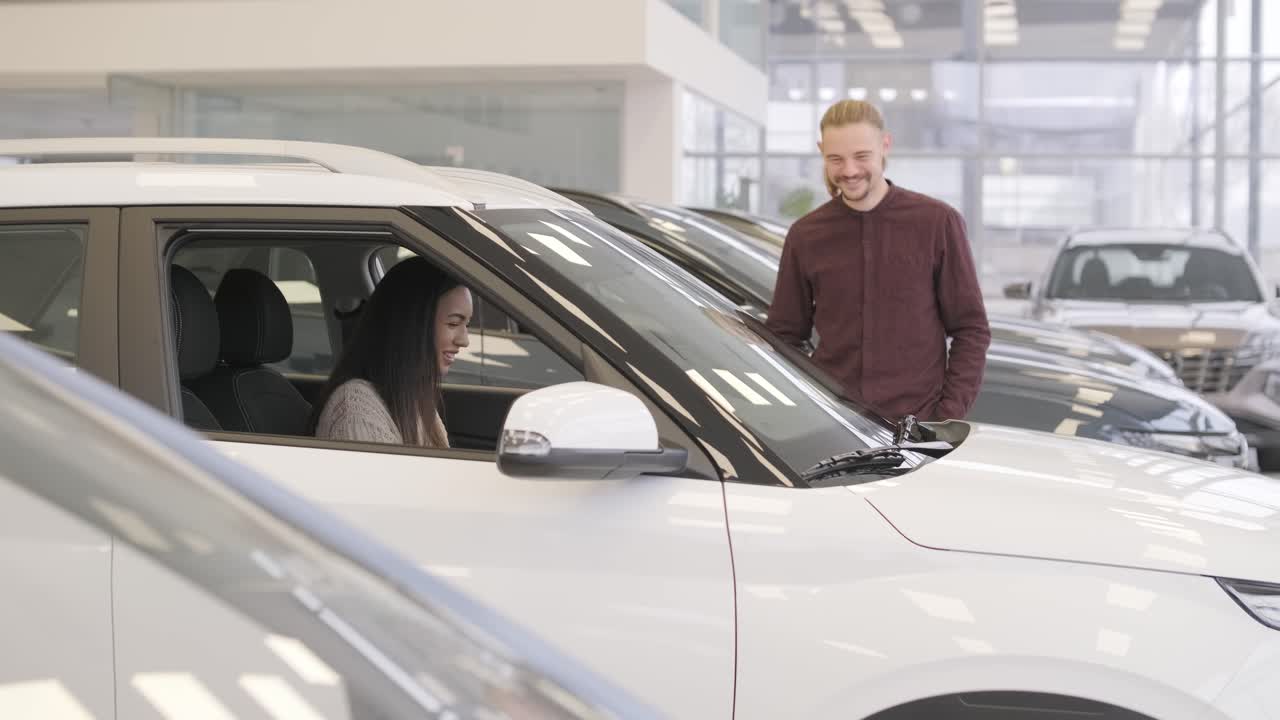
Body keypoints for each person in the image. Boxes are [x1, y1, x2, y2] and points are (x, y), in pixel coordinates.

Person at [766, 100, 990, 422]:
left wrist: (945, 416)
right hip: (831, 428)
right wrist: (809, 403)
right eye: (835, 159)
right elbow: (784, 336)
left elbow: (971, 329)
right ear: (821, 151)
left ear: (885, 146)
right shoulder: (805, 236)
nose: (849, 170)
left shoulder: (938, 223)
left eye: (861, 156)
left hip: (919, 428)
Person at [311, 256, 472, 447]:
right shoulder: (356, 411)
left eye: (466, 324)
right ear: (413, 324)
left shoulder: (412, 398)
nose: (464, 340)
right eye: (453, 323)